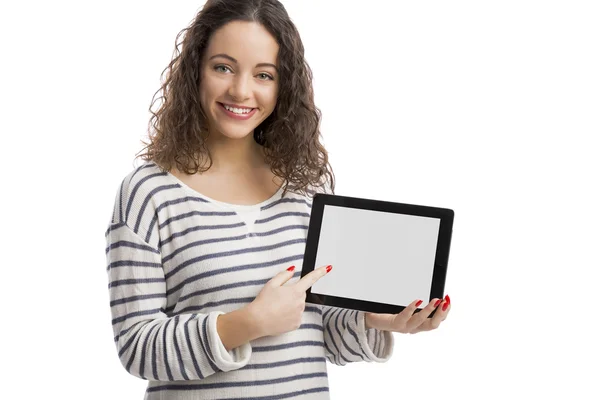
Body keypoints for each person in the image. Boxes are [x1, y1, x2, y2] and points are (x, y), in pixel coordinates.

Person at [105, 0, 451, 398]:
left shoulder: (305, 186)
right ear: (195, 71)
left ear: (283, 85)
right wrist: (248, 322)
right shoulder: (148, 192)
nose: (241, 90)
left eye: (264, 74)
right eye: (223, 67)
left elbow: (317, 335)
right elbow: (136, 346)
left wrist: (375, 320)